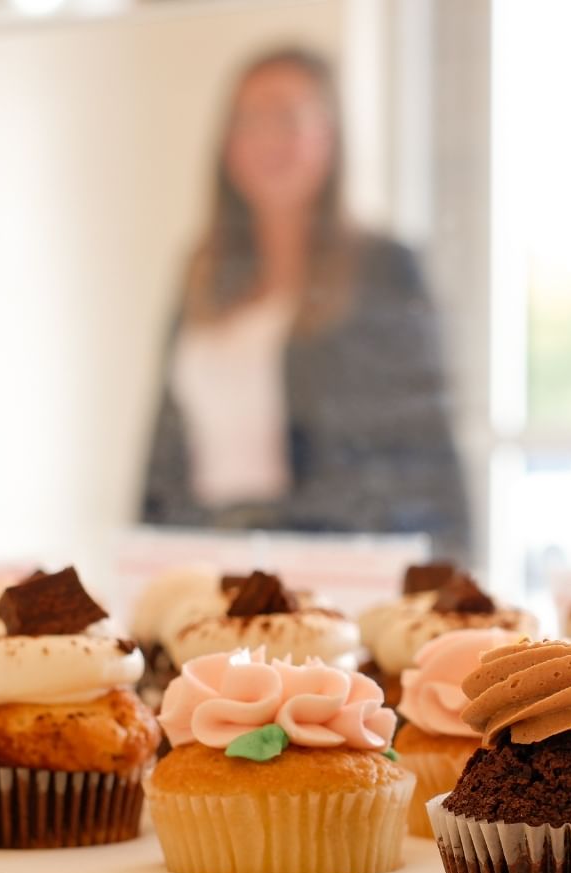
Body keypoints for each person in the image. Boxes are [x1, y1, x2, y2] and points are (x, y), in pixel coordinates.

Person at [142, 47, 469, 560]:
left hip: (329, 567)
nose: (269, 138)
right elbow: (162, 452)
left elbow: (421, 456)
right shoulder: (203, 270)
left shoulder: (382, 270)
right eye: (250, 119)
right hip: (198, 559)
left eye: (288, 117)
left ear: (330, 136)